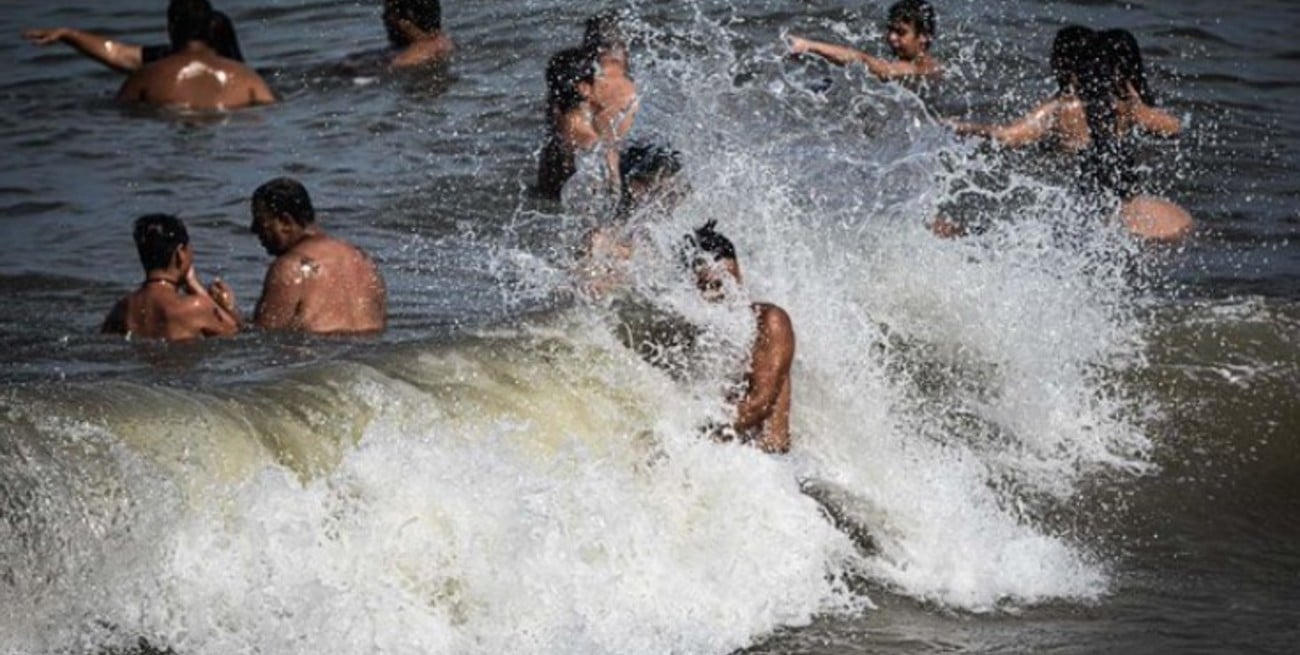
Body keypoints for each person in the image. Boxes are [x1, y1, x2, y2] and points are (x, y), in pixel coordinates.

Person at [686, 222, 794, 454]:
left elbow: (760, 405)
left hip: (768, 466)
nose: (723, 292)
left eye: (729, 281)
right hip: (720, 462)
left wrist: (693, 441)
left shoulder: (768, 320)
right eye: (710, 286)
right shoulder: (693, 331)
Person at [1074, 37, 1191, 241]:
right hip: (1134, 204)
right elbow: (1176, 127)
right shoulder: (1134, 107)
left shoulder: (1073, 104)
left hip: (1102, 202)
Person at [248, 178, 387, 334]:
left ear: (285, 221)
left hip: (321, 355)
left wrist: (228, 314)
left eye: (260, 222)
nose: (254, 230)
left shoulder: (291, 267)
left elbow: (262, 339)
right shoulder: (363, 261)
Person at [102, 214, 241, 340]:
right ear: (180, 253)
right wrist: (225, 305)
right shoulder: (195, 307)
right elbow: (236, 333)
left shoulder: (122, 309)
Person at [117, 0, 275, 111]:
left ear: (170, 28)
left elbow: (120, 114)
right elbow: (268, 111)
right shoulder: (248, 79)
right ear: (210, 26)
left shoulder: (144, 77)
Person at [23, 10, 244, 74]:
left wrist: (68, 34)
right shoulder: (248, 79)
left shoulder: (162, 61)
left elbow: (118, 54)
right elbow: (118, 53)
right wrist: (67, 34)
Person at [786, 0, 941, 82]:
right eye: (890, 30)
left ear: (923, 36)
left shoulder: (923, 69)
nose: (891, 37)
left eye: (901, 32)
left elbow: (874, 66)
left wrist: (809, 46)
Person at [383, 0, 454, 69]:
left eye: (388, 12)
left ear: (405, 21)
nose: (383, 18)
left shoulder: (405, 62)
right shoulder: (445, 43)